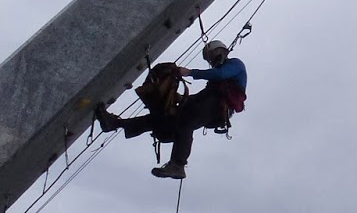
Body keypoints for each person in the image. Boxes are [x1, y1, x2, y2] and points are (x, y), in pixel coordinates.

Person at [96, 40, 247, 179]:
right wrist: (179, 98)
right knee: (162, 118)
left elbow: (221, 74)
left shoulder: (235, 64)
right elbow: (202, 96)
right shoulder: (216, 83)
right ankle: (115, 123)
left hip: (216, 108)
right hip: (207, 105)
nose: (210, 61)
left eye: (210, 56)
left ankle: (178, 165)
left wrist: (190, 72)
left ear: (220, 51)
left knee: (187, 123)